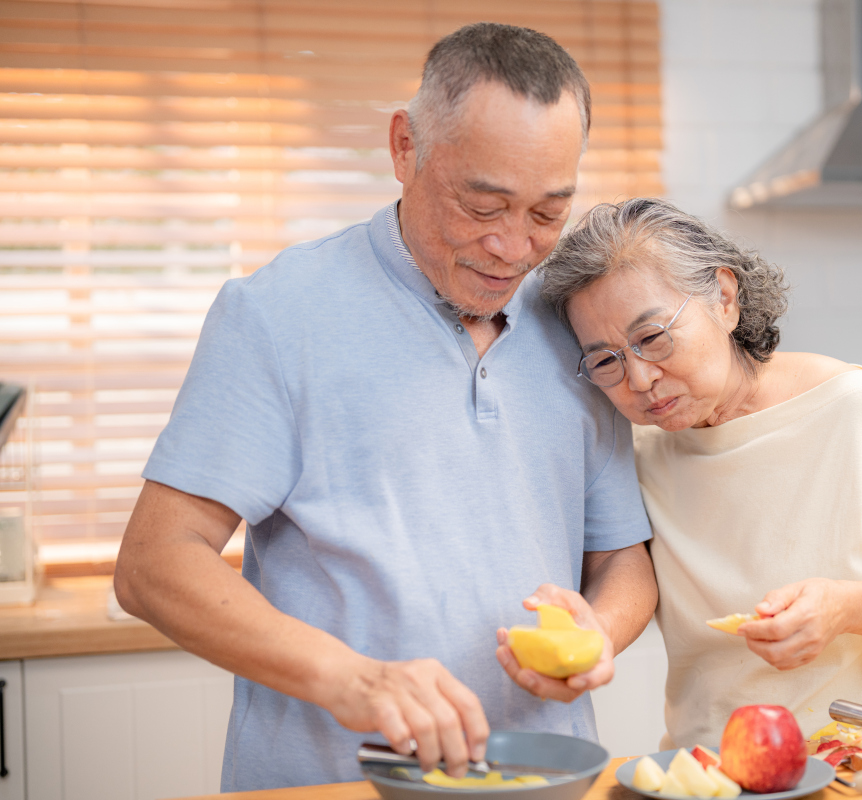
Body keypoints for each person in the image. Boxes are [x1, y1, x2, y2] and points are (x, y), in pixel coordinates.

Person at [113, 24, 657, 792]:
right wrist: (353, 680)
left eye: (547, 213)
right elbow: (153, 565)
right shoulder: (277, 314)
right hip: (330, 779)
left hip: (546, 778)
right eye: (483, 204)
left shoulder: (577, 320)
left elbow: (622, 562)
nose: (511, 247)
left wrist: (600, 632)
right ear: (405, 147)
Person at [539, 198, 862, 748]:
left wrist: (846, 608)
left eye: (651, 338)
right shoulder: (635, 450)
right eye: (606, 361)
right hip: (714, 768)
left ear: (723, 298)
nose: (639, 379)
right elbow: (620, 578)